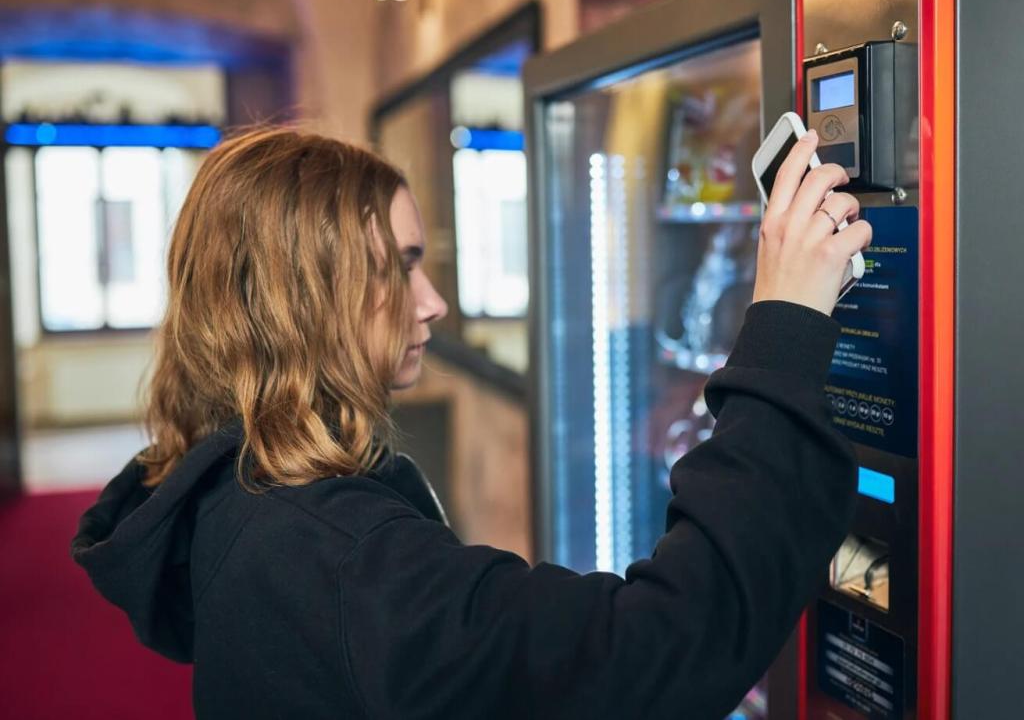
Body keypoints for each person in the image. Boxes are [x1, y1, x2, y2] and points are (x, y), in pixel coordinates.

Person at [72, 125, 870, 719]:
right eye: (401, 267)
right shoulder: (338, 558)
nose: (433, 304)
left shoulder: (232, 488)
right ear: (301, 300)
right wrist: (786, 329)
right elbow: (653, 653)